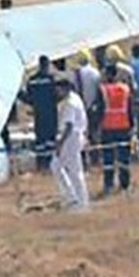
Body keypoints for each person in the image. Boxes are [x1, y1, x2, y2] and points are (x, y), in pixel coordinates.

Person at [92, 62, 134, 197]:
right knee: (124, 158)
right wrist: (132, 127)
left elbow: (100, 110)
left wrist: (95, 127)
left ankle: (109, 184)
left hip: (108, 127)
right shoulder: (125, 89)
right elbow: (130, 109)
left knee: (108, 159)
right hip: (124, 126)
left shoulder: (102, 89)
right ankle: (125, 184)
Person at [50, 79, 90, 211]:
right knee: (56, 166)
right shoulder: (75, 98)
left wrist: (60, 143)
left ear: (65, 88)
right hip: (74, 136)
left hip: (70, 138)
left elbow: (69, 125)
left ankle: (81, 201)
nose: (57, 92)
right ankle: (71, 196)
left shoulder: (70, 103)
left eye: (59, 89)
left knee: (75, 171)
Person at [23, 56, 59, 170]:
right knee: (50, 139)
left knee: (40, 139)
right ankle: (50, 163)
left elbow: (29, 98)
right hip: (51, 114)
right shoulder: (51, 79)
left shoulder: (32, 80)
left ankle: (40, 163)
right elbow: (57, 95)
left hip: (38, 114)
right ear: (47, 65)